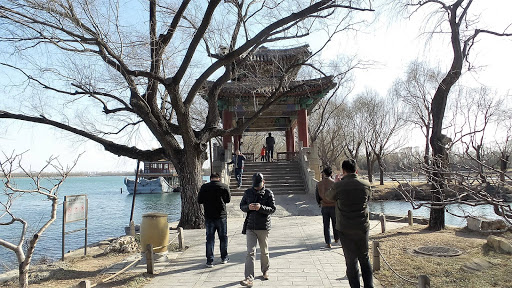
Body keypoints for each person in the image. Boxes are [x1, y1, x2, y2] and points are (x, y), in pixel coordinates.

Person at [325, 159, 373, 288]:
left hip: (345, 227)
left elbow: (328, 197)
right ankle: (369, 286)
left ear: (343, 171)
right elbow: (368, 198)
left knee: (351, 261)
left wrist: (335, 183)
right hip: (362, 226)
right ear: (356, 170)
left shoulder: (339, 185)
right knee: (364, 258)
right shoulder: (365, 184)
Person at [240, 173, 276, 287]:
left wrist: (261, 207)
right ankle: (249, 278)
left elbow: (273, 209)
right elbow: (242, 206)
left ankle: (265, 270)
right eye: (255, 186)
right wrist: (248, 207)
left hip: (263, 226)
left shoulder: (268, 193)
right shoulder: (248, 192)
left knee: (264, 251)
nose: (257, 187)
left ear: (263, 182)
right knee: (250, 252)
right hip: (250, 226)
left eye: (258, 185)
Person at [197, 172, 231, 268]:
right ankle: (224, 258)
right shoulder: (224, 186)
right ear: (219, 178)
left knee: (210, 239)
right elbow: (228, 200)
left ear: (210, 178)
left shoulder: (204, 187)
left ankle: (210, 261)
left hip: (209, 216)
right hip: (221, 216)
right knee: (223, 237)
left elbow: (199, 200)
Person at [315, 166, 339, 248]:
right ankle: (336, 238)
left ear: (324, 174)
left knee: (326, 225)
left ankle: (328, 242)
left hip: (324, 206)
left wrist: (319, 203)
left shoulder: (319, 184)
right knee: (335, 223)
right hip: (334, 206)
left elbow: (317, 196)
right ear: (331, 173)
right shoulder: (334, 183)